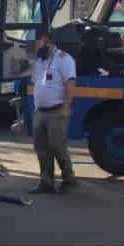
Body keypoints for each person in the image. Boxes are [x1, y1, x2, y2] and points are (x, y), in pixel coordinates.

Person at [31, 27, 77, 194]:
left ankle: (68, 178)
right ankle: (46, 181)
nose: (35, 47)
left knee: (57, 145)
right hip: (40, 111)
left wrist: (66, 106)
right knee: (41, 147)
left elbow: (70, 84)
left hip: (57, 110)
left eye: (37, 43)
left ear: (46, 41)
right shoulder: (40, 61)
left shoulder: (63, 59)